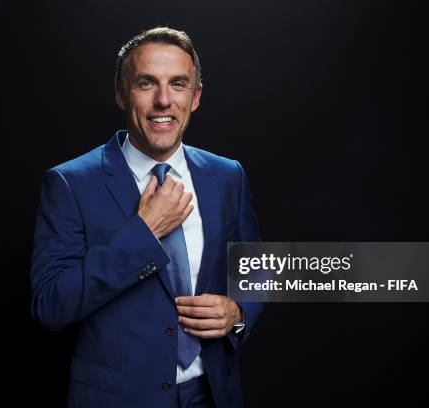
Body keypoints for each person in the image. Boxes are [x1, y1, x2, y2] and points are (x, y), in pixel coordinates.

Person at [30, 27, 263, 408]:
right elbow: (50, 306)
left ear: (196, 96)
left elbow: (255, 268)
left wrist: (238, 313)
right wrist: (144, 232)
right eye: (146, 83)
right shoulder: (69, 183)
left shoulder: (227, 175)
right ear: (121, 92)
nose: (163, 101)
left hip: (213, 395)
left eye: (178, 84)